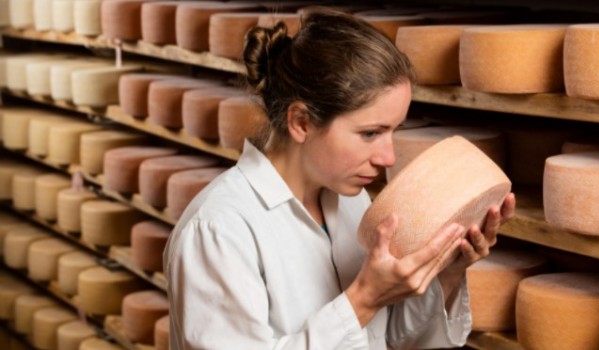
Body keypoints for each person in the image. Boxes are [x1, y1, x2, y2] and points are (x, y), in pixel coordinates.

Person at [163, 7, 516, 350]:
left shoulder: (351, 201)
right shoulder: (218, 230)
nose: (388, 158)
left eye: (393, 131)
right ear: (301, 122)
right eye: (369, 133)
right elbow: (359, 316)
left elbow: (393, 339)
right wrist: (363, 299)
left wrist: (446, 271)